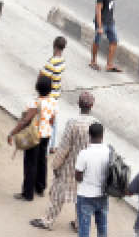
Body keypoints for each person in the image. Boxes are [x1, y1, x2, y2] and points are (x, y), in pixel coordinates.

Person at [31, 91, 97, 231]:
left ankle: (48, 221)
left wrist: (56, 165)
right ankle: (79, 224)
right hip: (87, 169)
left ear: (78, 104)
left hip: (70, 166)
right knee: (82, 196)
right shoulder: (95, 124)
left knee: (57, 194)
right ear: (92, 105)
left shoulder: (73, 123)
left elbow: (64, 148)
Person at [8, 74, 57, 202]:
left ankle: (27, 193)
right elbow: (52, 120)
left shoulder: (35, 103)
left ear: (37, 87)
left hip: (34, 135)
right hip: (46, 135)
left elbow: (25, 121)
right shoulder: (53, 101)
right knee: (42, 161)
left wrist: (12, 133)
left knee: (30, 163)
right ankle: (40, 188)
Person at [74, 122, 110, 237]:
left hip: (86, 195)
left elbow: (78, 176)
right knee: (102, 228)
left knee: (84, 229)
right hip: (103, 195)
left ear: (89, 135)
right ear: (102, 135)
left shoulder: (84, 153)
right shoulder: (109, 152)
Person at [91, 0, 120, 72]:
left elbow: (110, 8)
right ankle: (93, 61)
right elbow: (98, 10)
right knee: (97, 42)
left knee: (114, 41)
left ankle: (109, 65)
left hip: (110, 22)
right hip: (102, 23)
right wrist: (99, 26)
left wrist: (112, 19)